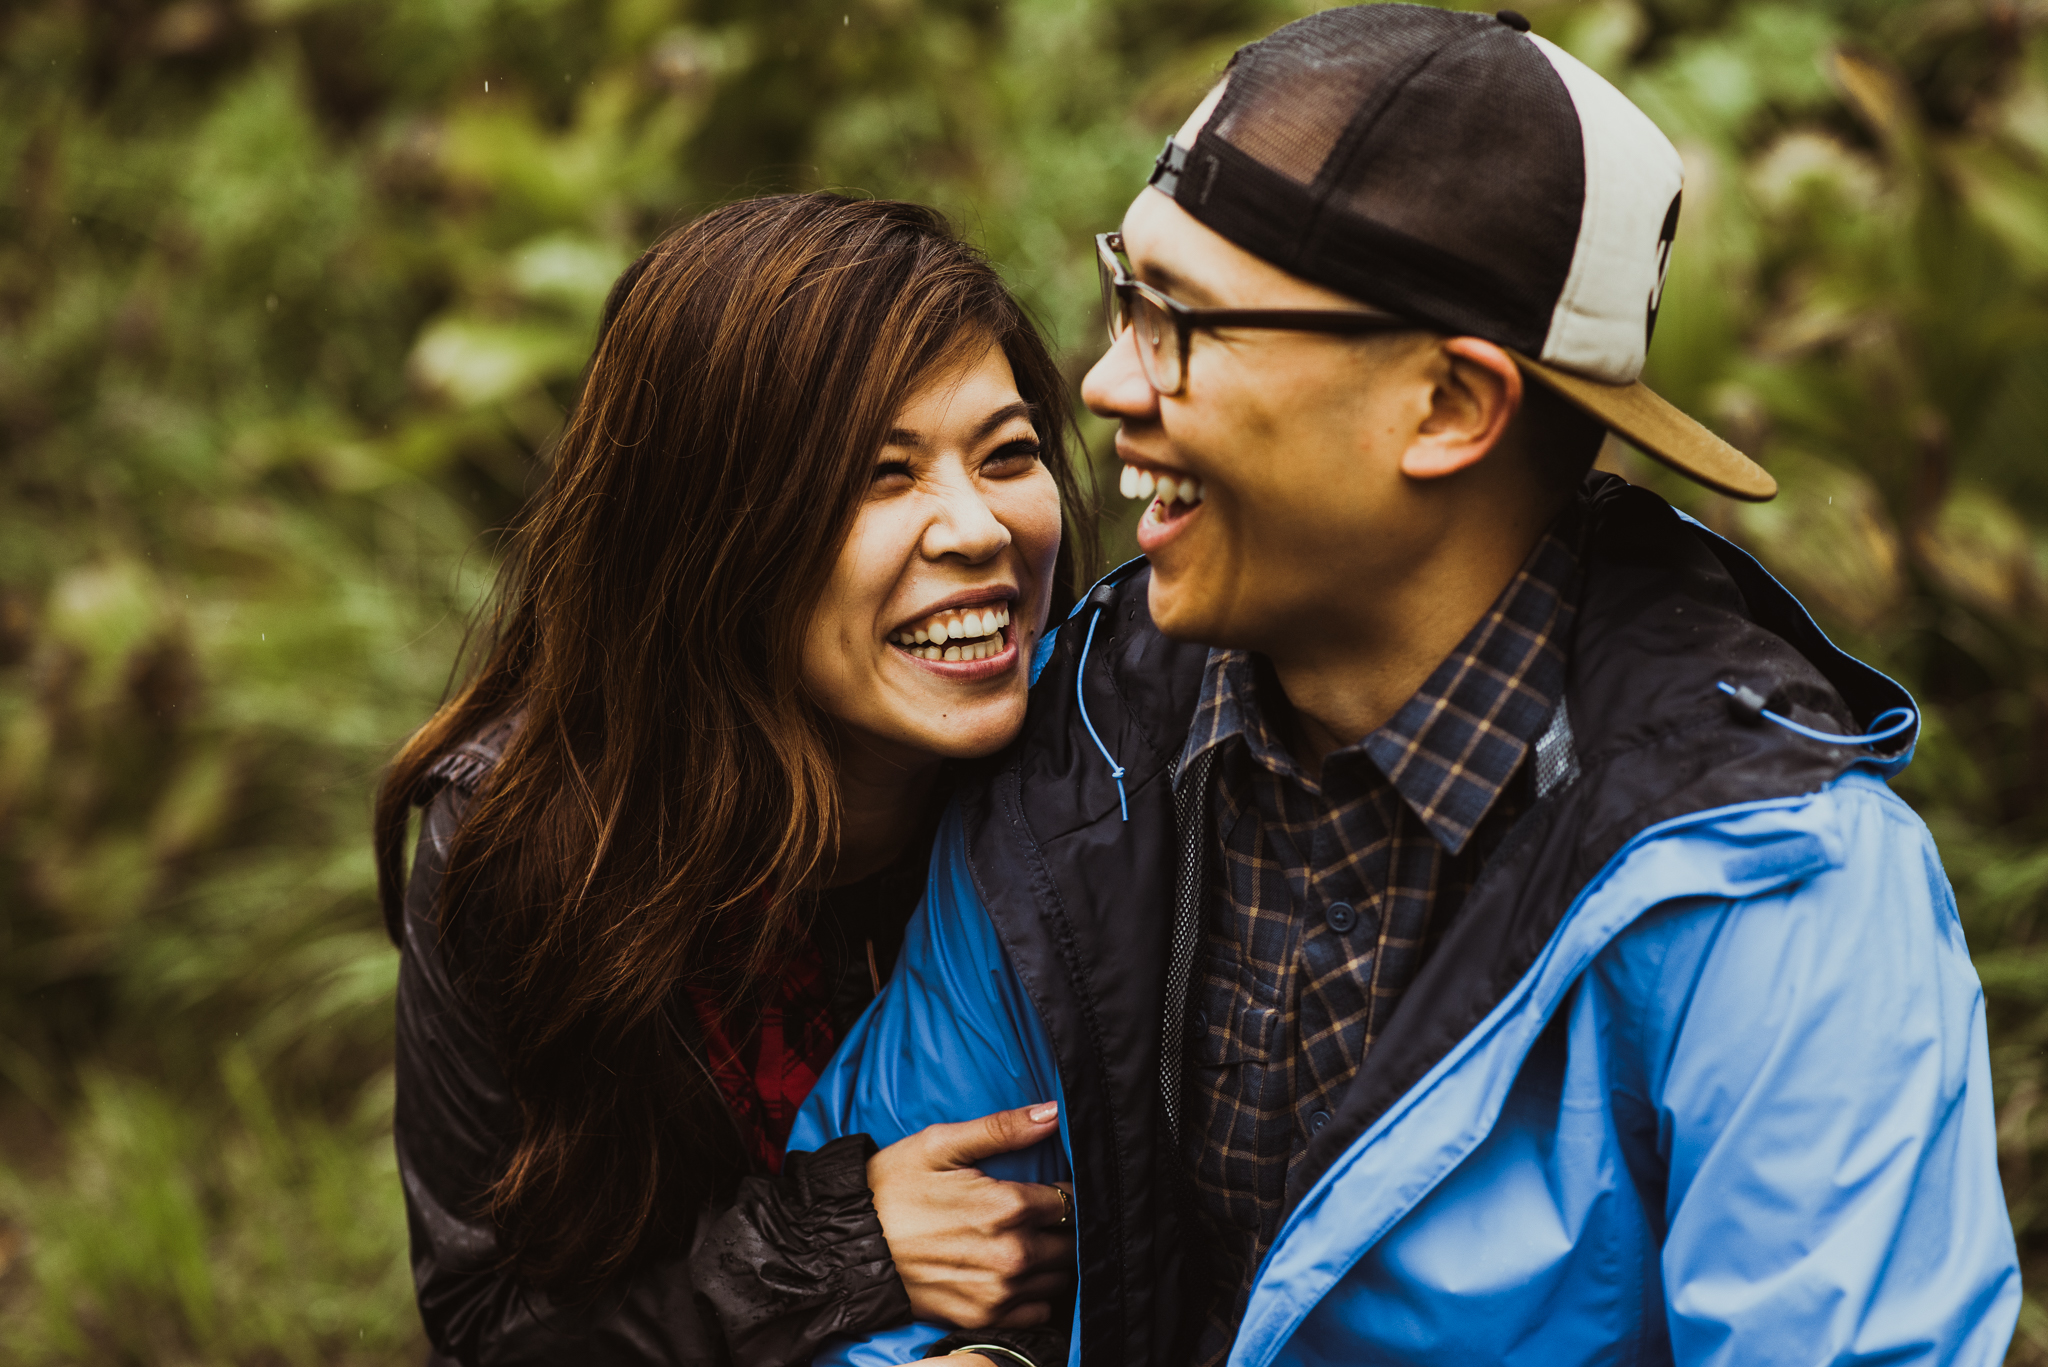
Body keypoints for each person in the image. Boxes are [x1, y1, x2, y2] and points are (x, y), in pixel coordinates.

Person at [792, 8, 2021, 1366]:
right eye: (1126, 292)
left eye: (1180, 322)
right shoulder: (1090, 736)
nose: (1105, 381)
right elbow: (880, 1266)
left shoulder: (1772, 888)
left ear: (1446, 406)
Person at [373, 193, 1091, 1366]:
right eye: (878, 473)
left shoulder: (1113, 767)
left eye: (1005, 455)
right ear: (715, 537)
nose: (976, 528)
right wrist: (829, 1248)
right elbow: (492, 1331)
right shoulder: (536, 844)